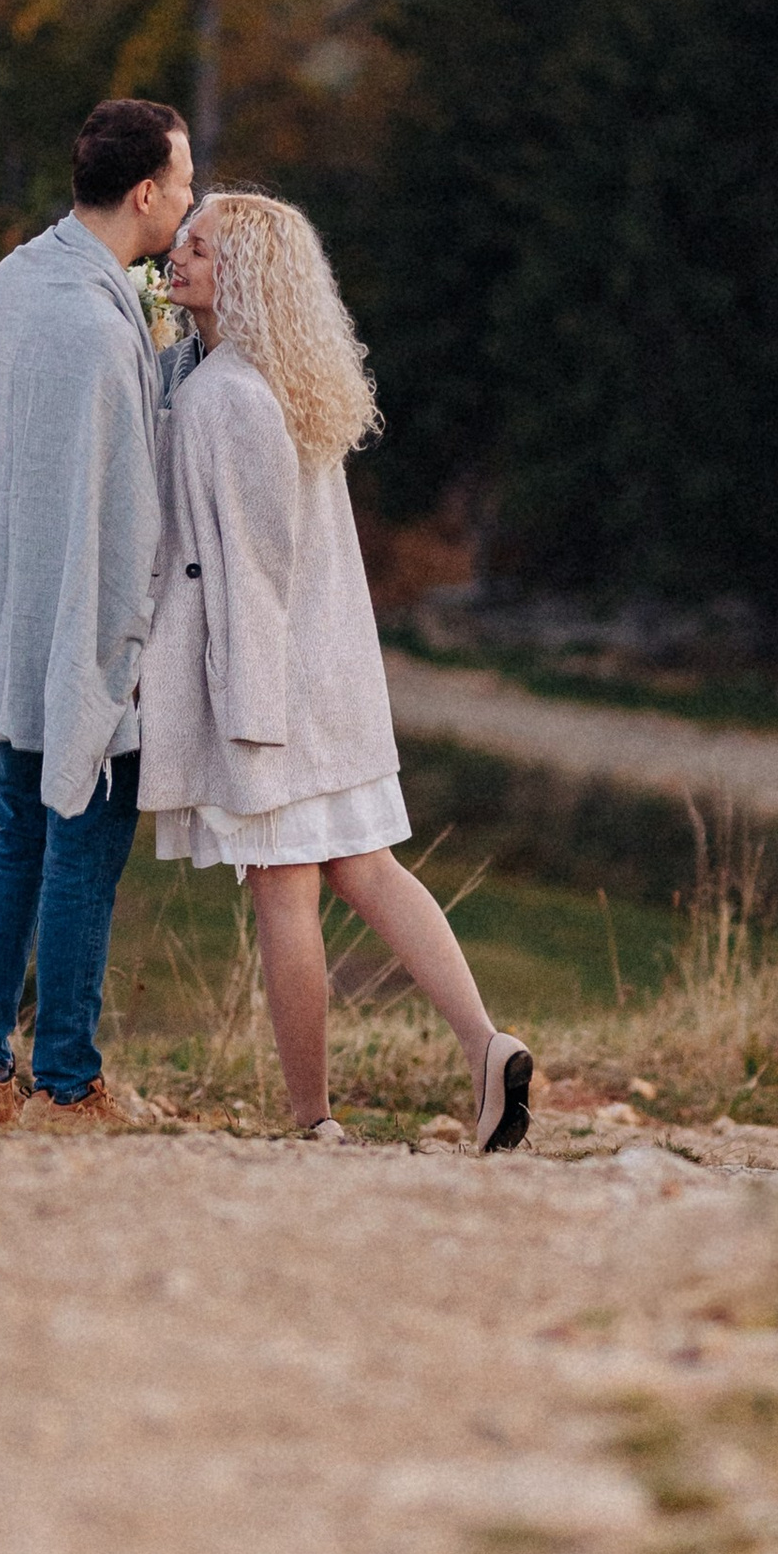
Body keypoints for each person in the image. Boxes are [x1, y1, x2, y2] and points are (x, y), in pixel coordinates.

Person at [139, 189, 533, 1153]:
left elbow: (249, 567)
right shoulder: (277, 378)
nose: (177, 252)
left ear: (246, 275)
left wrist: (244, 709)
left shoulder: (221, 396)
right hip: (329, 673)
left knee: (286, 889)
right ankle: (487, 1044)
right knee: (368, 865)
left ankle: (313, 1117)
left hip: (272, 685)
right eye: (181, 239)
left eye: (201, 245)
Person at [0, 97, 197, 1133]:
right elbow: (125, 512)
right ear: (143, 193)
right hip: (80, 629)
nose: (186, 198)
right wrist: (129, 650)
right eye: (180, 183)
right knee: (83, 847)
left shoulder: (17, 276)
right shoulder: (95, 323)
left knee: (16, 835)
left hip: (15, 614)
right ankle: (66, 1081)